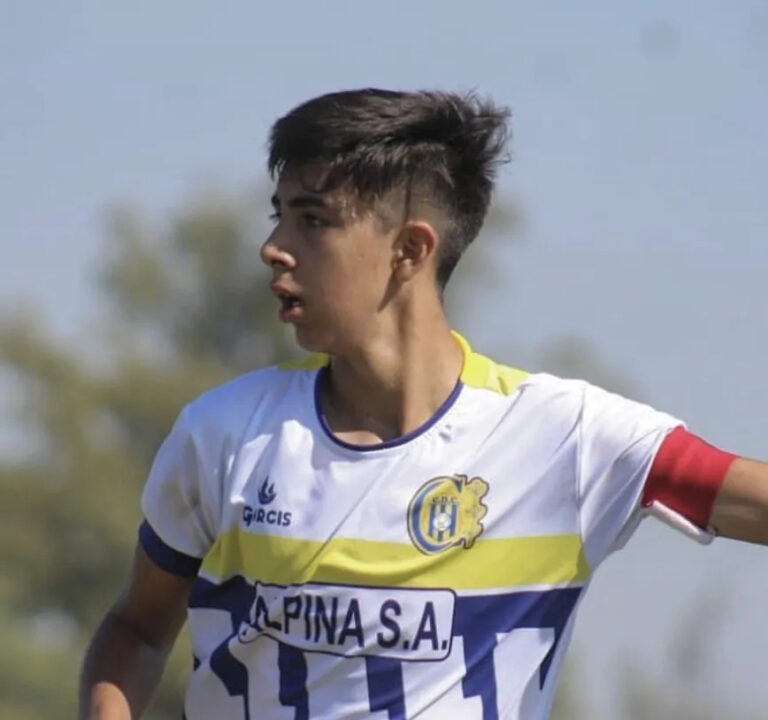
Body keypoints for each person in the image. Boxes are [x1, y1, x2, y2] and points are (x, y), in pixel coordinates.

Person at [79, 89, 768, 720]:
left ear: (410, 250)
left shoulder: (568, 437)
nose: (273, 248)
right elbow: (137, 630)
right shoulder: (225, 433)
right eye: (278, 216)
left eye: (312, 220)